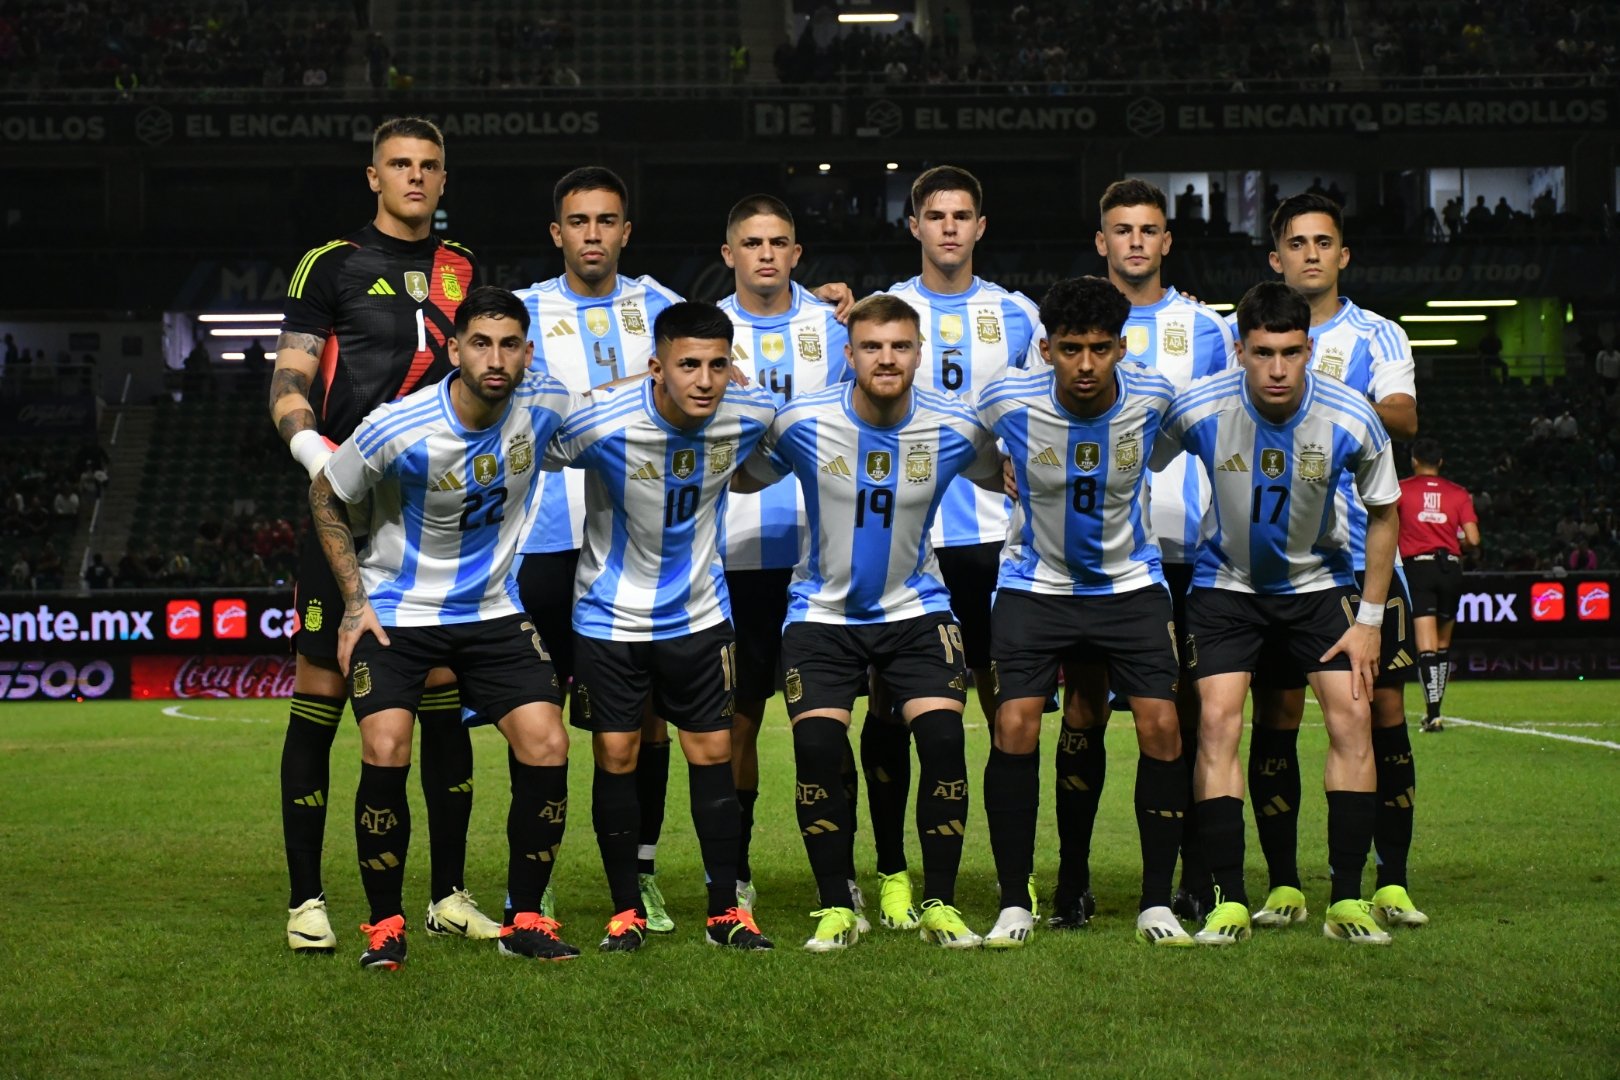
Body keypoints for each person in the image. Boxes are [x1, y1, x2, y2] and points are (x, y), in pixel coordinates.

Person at [269, 117, 495, 953]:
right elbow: (291, 375)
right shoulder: (331, 265)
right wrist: (312, 449)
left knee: (440, 692)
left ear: (443, 179)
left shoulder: (463, 269)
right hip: (346, 511)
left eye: (429, 166)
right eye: (399, 164)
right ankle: (306, 900)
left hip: (432, 516)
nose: (415, 178)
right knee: (322, 697)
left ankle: (447, 894)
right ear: (373, 176)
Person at [309, 286, 586, 969]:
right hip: (402, 614)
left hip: (493, 611)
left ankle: (527, 917)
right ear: (454, 349)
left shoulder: (546, 404)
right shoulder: (396, 427)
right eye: (482, 343)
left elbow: (618, 416)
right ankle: (385, 924)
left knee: (549, 742)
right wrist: (353, 600)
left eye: (510, 344)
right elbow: (326, 492)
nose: (496, 359)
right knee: (386, 747)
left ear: (527, 351)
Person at [736, 294, 1004, 952]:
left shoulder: (955, 429)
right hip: (821, 614)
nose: (887, 358)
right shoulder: (800, 423)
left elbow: (1010, 475)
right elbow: (744, 479)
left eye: (900, 346)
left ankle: (939, 902)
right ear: (849, 355)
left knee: (943, 741)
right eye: (872, 347)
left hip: (916, 610)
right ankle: (836, 905)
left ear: (919, 355)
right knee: (819, 749)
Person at [1152, 281, 1402, 948]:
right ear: (1239, 350)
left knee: (1352, 718)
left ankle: (1347, 900)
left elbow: (1385, 512)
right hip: (1225, 590)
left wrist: (1370, 618)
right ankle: (1231, 900)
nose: (1277, 369)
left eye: (1291, 353)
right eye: (1262, 353)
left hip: (1320, 589)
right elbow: (1133, 458)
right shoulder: (1200, 407)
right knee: (1216, 726)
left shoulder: (1351, 415)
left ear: (1310, 349)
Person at [546, 301, 778, 953]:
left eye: (716, 365)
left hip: (701, 617)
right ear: (657, 367)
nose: (704, 380)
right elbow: (535, 446)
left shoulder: (749, 413)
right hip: (607, 617)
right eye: (687, 365)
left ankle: (724, 911)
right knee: (617, 756)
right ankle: (626, 911)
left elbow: (787, 450)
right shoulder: (602, 421)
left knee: (714, 754)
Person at [976, 276, 1191, 949]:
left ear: (1123, 346)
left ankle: (1157, 903)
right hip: (1035, 585)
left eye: (1101, 348)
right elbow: (973, 453)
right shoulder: (1007, 397)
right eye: (1071, 349)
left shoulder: (1154, 395)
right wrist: (1001, 474)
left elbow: (1184, 443)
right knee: (1013, 724)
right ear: (1046, 349)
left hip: (1129, 585)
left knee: (1160, 726)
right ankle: (1015, 902)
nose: (1088, 364)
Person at [1242, 192, 1425, 932]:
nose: (1311, 253)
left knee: (1381, 711)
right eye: (1297, 242)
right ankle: (1284, 882)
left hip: (1364, 561)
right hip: (1279, 564)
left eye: (1325, 241)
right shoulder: (1245, 330)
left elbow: (1406, 416)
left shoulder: (1378, 334)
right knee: (1278, 711)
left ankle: (1392, 880)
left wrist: (1321, 399)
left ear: (1343, 254)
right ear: (1276, 257)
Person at [511, 166, 688, 929]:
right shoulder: (521, 312)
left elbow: (726, 368)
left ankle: (640, 875)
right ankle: (536, 880)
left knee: (647, 721)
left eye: (606, 220)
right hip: (546, 540)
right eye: (578, 222)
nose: (592, 234)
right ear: (557, 233)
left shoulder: (663, 309)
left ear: (625, 230)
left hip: (640, 542)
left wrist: (829, 300)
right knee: (539, 717)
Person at [880, 166, 1043, 929]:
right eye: (935, 216)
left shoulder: (1016, 316)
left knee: (1004, 705)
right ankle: (892, 873)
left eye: (962, 216)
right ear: (914, 225)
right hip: (905, 541)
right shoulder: (887, 311)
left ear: (981, 227)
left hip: (993, 539)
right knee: (889, 709)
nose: (949, 228)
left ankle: (1012, 874)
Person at [1094, 177, 1233, 926]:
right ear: (1102, 242)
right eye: (1123, 229)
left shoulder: (1205, 329)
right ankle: (1074, 881)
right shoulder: (1071, 322)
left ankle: (1191, 875)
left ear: (1166, 241)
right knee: (1083, 711)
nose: (1136, 242)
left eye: (1149, 229)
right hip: (1100, 556)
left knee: (1182, 715)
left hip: (1185, 546)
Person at [716, 194, 849, 915]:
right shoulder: (706, 331)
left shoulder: (834, 326)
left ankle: (843, 870)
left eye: (779, 242)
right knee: (738, 717)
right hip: (733, 554)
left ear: (798, 254)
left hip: (822, 557)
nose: (766, 253)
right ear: (728, 253)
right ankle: (735, 871)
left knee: (827, 721)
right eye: (752, 242)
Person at [1397, 438, 1480, 732]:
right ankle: (1436, 710)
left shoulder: (1402, 490)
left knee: (1426, 647)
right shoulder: (1458, 493)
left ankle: (1433, 714)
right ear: (1441, 463)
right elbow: (1473, 539)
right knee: (1443, 645)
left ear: (1414, 461)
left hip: (1418, 568)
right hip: (1451, 569)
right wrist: (1449, 541)